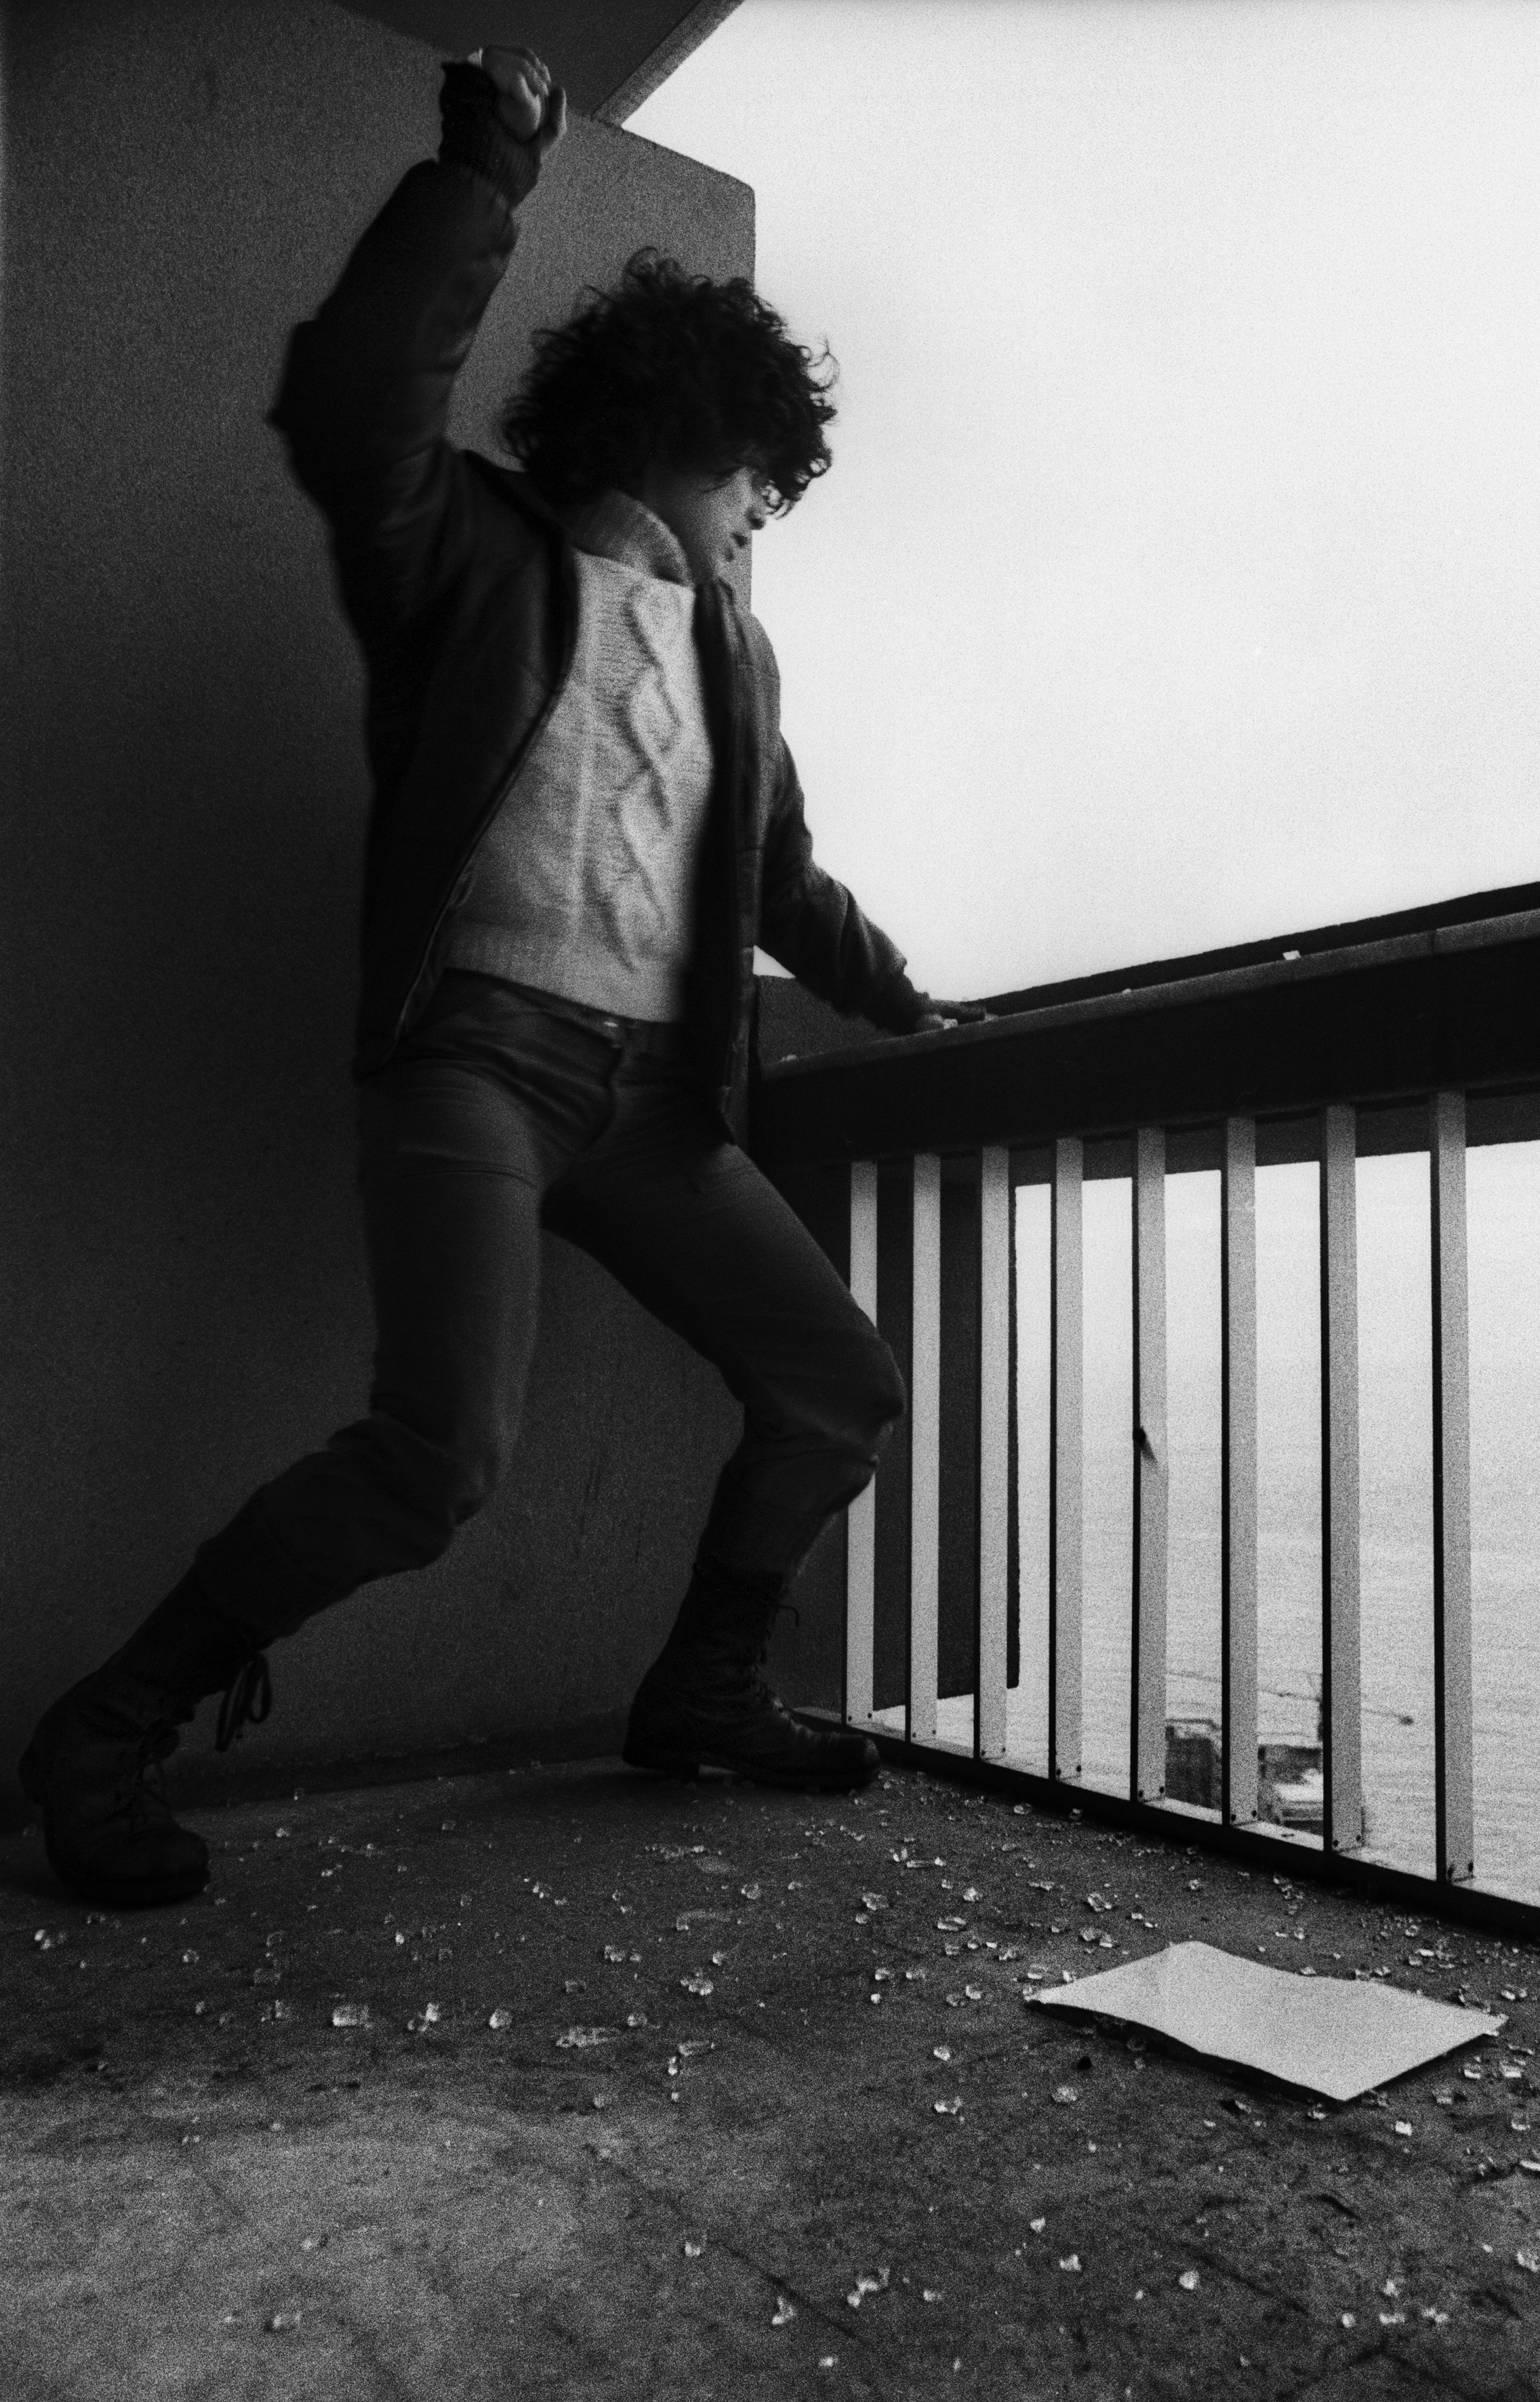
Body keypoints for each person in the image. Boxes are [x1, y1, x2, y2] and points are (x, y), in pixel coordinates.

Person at [19, 47, 984, 1910]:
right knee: (440, 1457)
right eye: (757, 477)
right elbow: (346, 400)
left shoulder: (741, 662)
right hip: (473, 1058)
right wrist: (487, 169)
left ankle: (702, 1694)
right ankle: (105, 1730)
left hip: (654, 1109)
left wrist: (907, 1002)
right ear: (687, 429)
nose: (764, 513)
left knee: (839, 1388)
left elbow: (779, 879)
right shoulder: (468, 552)